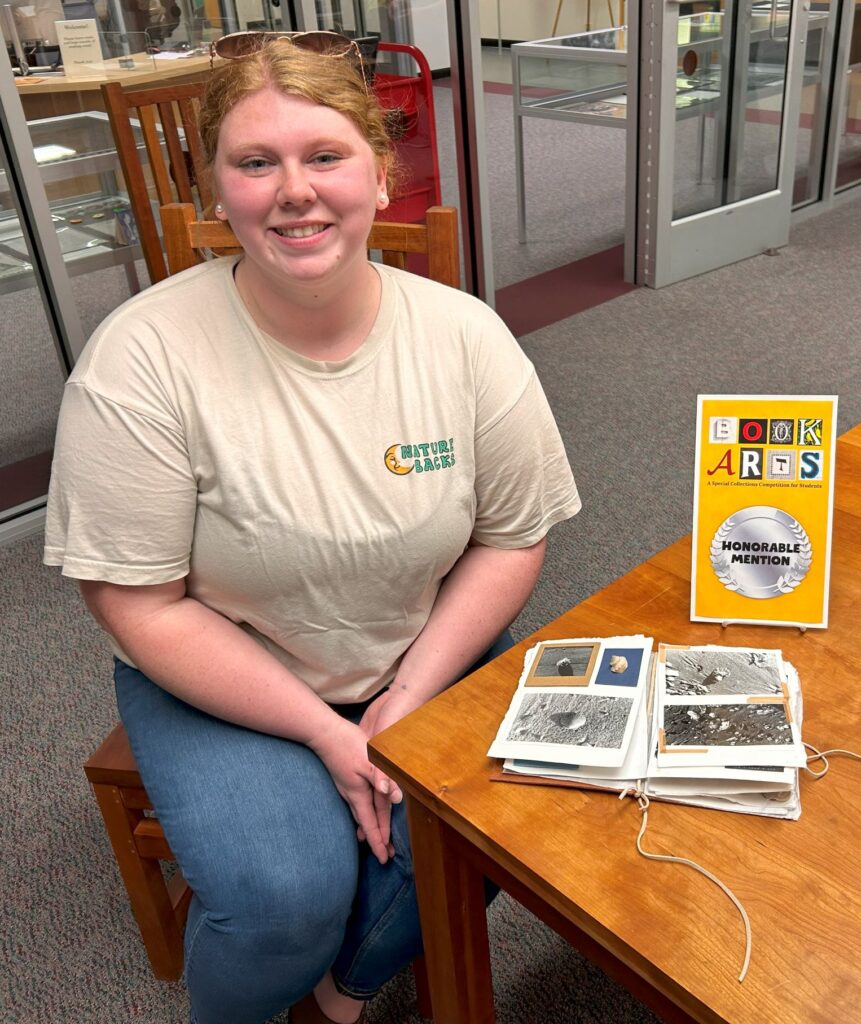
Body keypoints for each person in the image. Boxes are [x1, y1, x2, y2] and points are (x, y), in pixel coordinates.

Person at [44, 34, 580, 1024]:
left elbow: (511, 538)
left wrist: (406, 697)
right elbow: (136, 602)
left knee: (506, 818)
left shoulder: (463, 336)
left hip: (418, 644)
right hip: (227, 665)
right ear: (216, 189)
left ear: (380, 174)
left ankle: (343, 994)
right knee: (286, 896)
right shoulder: (142, 361)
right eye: (256, 162)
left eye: (323, 157)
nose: (294, 190)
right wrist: (330, 737)